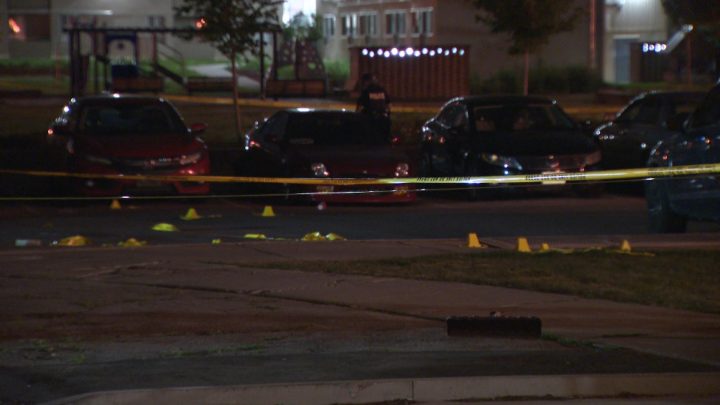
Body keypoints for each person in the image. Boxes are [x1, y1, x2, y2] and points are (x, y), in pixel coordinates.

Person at [356, 73, 391, 140]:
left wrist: (357, 117)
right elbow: (388, 104)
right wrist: (388, 114)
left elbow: (360, 106)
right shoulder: (382, 90)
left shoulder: (366, 91)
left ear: (366, 82)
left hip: (370, 119)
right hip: (383, 118)